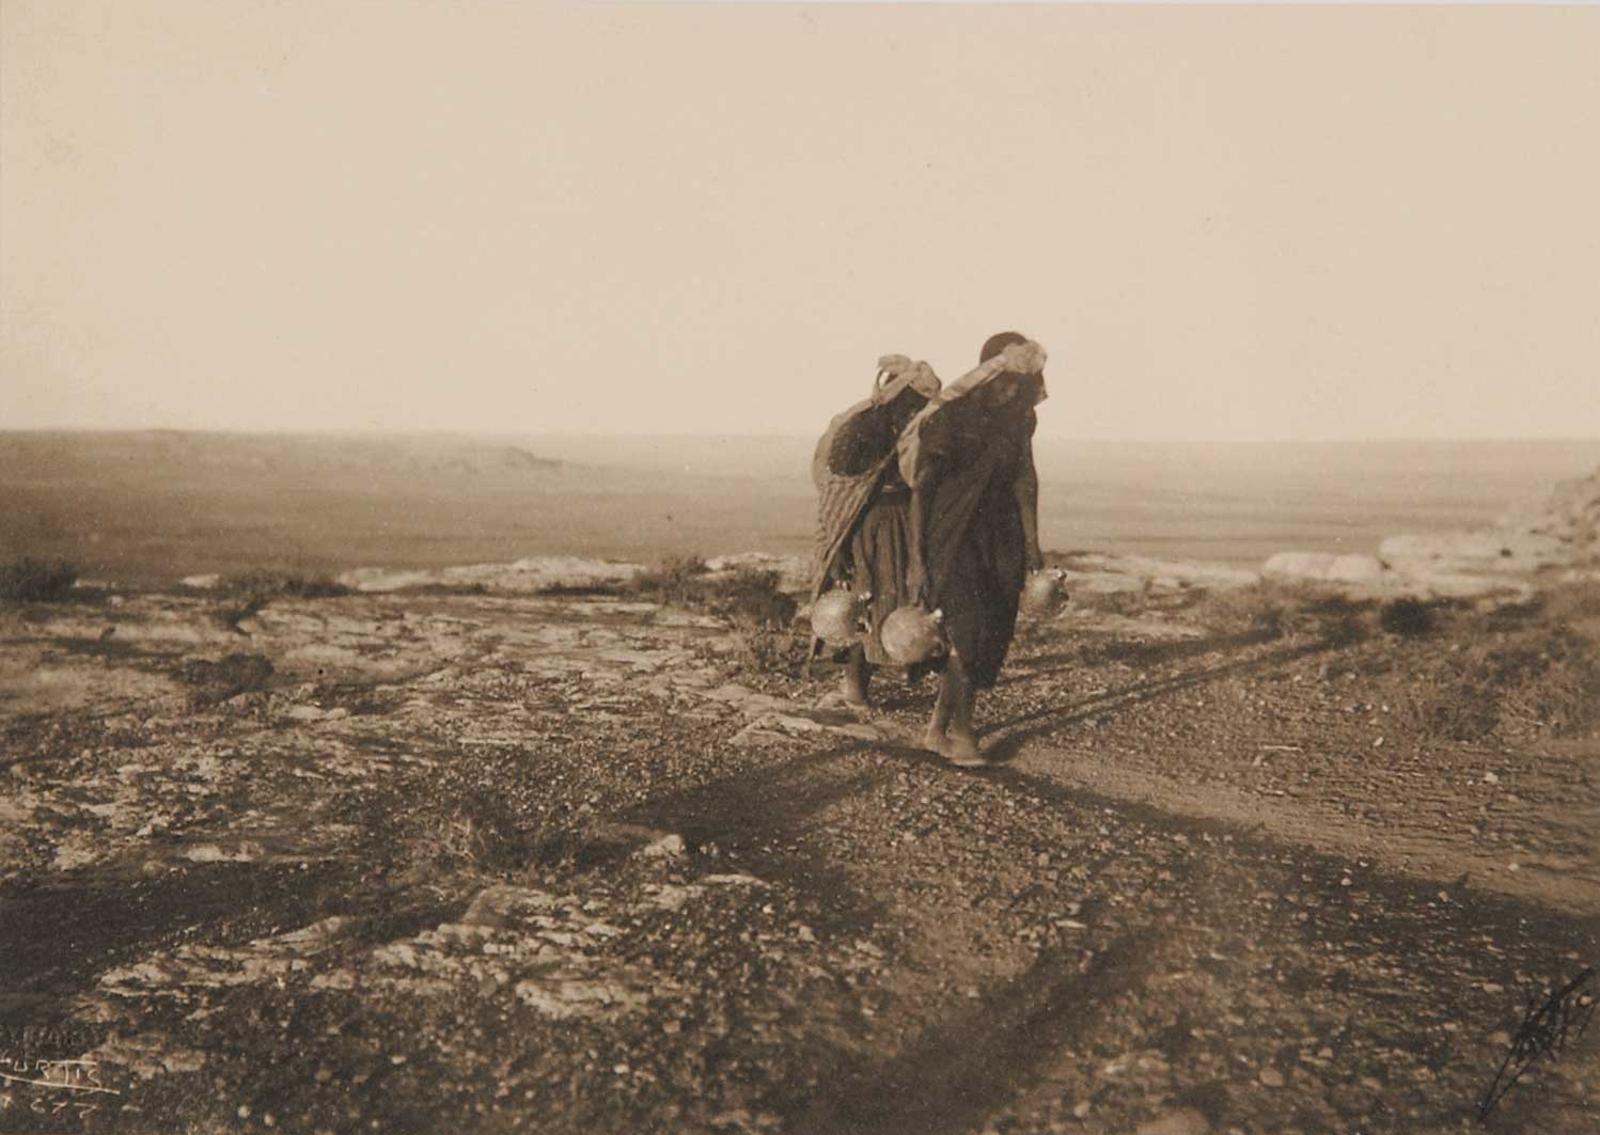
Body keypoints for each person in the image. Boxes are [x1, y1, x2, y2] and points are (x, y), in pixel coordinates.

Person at [900, 332, 1047, 766]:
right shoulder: (952, 419)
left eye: (1017, 386)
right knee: (968, 631)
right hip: (953, 536)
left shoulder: (1020, 420)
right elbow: (922, 492)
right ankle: (963, 733)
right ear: (987, 374)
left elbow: (1025, 479)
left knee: (992, 627)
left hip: (1001, 538)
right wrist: (916, 560)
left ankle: (935, 729)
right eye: (1003, 383)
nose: (1009, 393)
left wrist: (1033, 545)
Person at [811, 355, 941, 706]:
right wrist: (836, 549)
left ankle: (896, 666)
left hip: (902, 522)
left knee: (899, 600)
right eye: (916, 405)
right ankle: (854, 685)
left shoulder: (906, 429)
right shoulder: (861, 431)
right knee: (866, 604)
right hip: (867, 528)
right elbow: (838, 496)